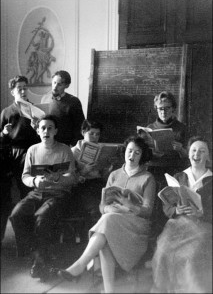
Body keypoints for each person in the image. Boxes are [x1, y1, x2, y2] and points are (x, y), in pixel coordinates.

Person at [57, 136, 156, 293]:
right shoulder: (114, 175)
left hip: (136, 228)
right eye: (129, 151)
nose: (132, 156)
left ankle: (81, 265)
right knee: (106, 236)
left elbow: (147, 211)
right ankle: (109, 291)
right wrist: (107, 209)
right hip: (112, 223)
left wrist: (127, 204)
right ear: (125, 152)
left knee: (106, 224)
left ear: (142, 156)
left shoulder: (148, 178)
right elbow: (103, 206)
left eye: (137, 153)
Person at [9, 115, 78, 280]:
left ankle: (40, 260)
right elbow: (25, 176)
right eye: (43, 128)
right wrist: (34, 180)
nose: (46, 131)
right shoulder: (33, 150)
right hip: (36, 192)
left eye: (50, 128)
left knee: (42, 217)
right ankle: (36, 255)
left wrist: (59, 178)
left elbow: (72, 177)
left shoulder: (64, 150)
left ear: (55, 131)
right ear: (38, 131)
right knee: (16, 214)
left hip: (58, 193)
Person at [151, 136, 212, 293]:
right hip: (177, 224)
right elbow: (167, 206)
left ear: (208, 155)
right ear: (189, 153)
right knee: (163, 248)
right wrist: (175, 210)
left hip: (203, 225)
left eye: (201, 151)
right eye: (193, 150)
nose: (196, 154)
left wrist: (202, 213)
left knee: (193, 253)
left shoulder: (211, 179)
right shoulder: (179, 177)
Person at [139, 91, 189, 237]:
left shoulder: (181, 128)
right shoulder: (150, 127)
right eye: (160, 108)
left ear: (173, 109)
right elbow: (143, 155)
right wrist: (150, 152)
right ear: (156, 109)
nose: (164, 111)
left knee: (170, 205)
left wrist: (181, 149)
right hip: (154, 171)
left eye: (167, 108)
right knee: (153, 206)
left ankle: (169, 238)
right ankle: (152, 240)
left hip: (175, 171)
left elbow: (189, 156)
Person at [0, 75, 40, 199]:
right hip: (17, 153)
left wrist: (37, 129)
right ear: (12, 92)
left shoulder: (35, 110)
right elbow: (1, 139)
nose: (23, 91)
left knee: (36, 186)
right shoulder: (6, 112)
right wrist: (5, 133)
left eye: (25, 88)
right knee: (23, 186)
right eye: (19, 89)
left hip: (35, 151)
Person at [71, 119, 115, 227]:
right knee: (96, 209)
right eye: (91, 134)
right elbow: (71, 179)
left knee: (113, 205)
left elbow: (103, 175)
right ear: (83, 133)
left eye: (97, 134)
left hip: (99, 184)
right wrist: (85, 170)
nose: (95, 137)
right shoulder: (73, 152)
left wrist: (110, 166)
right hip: (82, 186)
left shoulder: (101, 149)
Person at [41, 70, 85, 146]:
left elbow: (80, 126)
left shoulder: (74, 101)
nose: (55, 87)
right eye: (54, 83)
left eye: (59, 84)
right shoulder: (45, 98)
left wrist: (73, 146)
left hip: (66, 144)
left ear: (67, 85)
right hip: (48, 143)